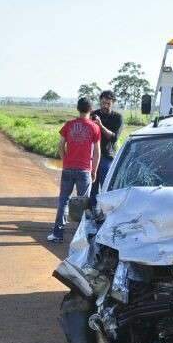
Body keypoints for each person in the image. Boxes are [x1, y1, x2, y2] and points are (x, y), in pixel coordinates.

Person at [47, 98, 101, 243]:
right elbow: (97, 152)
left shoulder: (69, 125)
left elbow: (60, 145)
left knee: (63, 201)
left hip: (68, 168)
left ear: (78, 108)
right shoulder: (94, 127)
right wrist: (94, 170)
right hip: (84, 171)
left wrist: (65, 160)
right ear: (91, 109)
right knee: (83, 204)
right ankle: (80, 239)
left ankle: (57, 235)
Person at [90, 90, 123, 207]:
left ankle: (106, 211)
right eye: (103, 103)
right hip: (93, 157)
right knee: (92, 187)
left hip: (107, 157)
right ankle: (93, 211)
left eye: (108, 103)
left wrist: (100, 125)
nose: (105, 106)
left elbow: (114, 138)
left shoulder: (117, 118)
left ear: (113, 103)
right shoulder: (94, 114)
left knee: (106, 186)